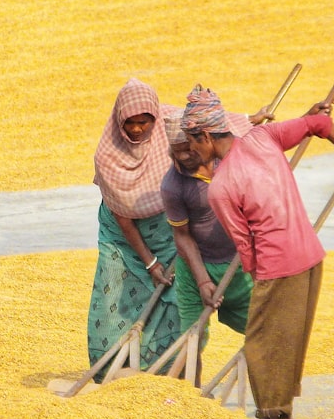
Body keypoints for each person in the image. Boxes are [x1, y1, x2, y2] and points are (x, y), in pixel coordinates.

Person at [181, 86, 334, 419]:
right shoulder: (264, 137)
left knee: (262, 345)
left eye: (193, 143)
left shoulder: (221, 186)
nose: (193, 152)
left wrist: (255, 275)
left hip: (277, 266)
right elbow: (318, 123)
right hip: (310, 255)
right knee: (288, 340)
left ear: (205, 136)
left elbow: (244, 245)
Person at [88, 78, 263, 381]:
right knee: (114, 300)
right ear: (119, 121)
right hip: (122, 238)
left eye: (144, 123)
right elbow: (123, 216)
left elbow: (211, 126)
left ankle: (167, 373)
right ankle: (109, 370)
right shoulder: (107, 157)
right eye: (130, 123)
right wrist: (150, 262)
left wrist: (252, 120)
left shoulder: (168, 125)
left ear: (154, 118)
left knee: (171, 302)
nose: (137, 130)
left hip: (166, 230)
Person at [159, 104, 258, 385]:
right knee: (191, 337)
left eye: (191, 146)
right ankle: (192, 399)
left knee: (261, 327)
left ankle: (273, 406)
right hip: (196, 269)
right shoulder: (173, 186)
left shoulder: (227, 162)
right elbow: (183, 236)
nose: (188, 154)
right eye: (180, 149)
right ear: (171, 152)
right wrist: (202, 281)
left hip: (239, 264)